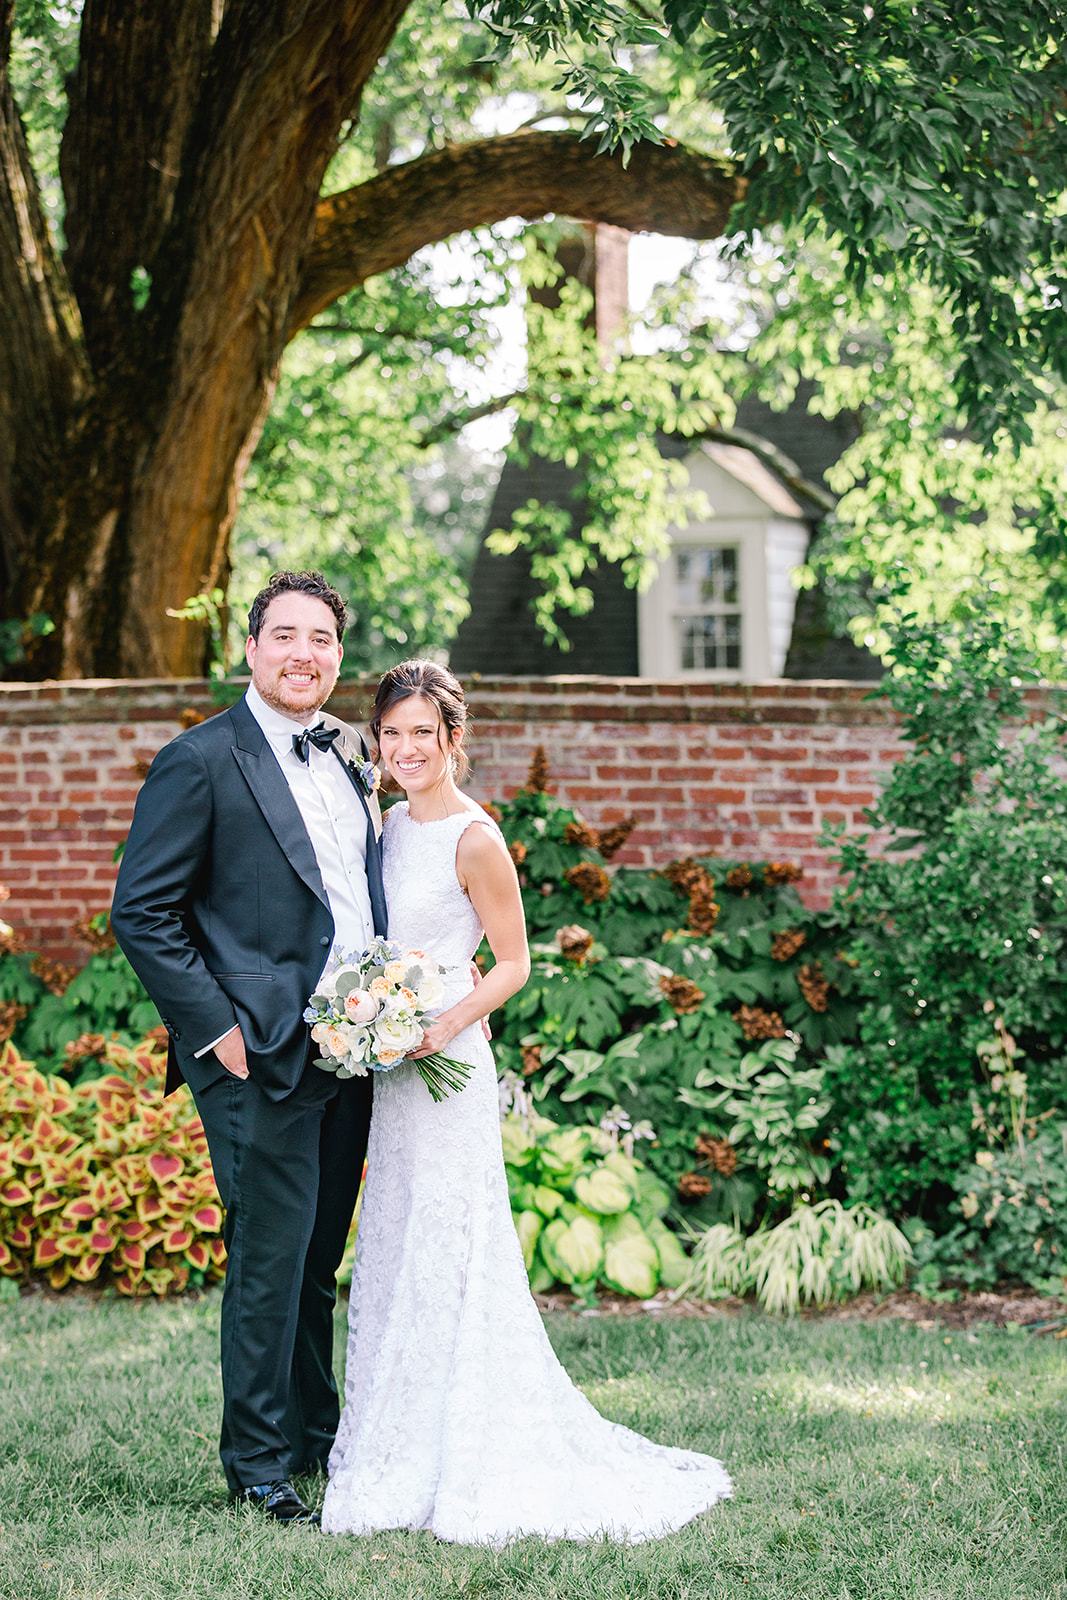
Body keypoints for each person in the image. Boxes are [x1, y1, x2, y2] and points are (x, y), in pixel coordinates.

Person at [322, 660, 731, 1543]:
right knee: (395, 1241)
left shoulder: (475, 836)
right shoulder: (383, 825)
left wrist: (438, 1024)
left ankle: (469, 1446)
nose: (404, 749)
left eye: (421, 734)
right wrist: (375, 1016)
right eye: (390, 734)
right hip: (391, 1067)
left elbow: (512, 963)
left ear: (452, 741)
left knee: (454, 1244)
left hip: (445, 1060)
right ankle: (393, 1444)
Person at [110, 571, 386, 1525]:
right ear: (251, 648)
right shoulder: (200, 758)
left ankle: (316, 1439)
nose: (303, 653)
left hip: (358, 1046)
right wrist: (216, 1029)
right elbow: (143, 912)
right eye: (284, 636)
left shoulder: (353, 750)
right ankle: (259, 1466)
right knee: (269, 1260)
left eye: (321, 639)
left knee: (316, 1259)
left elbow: (350, 894)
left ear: (337, 657)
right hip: (258, 1051)